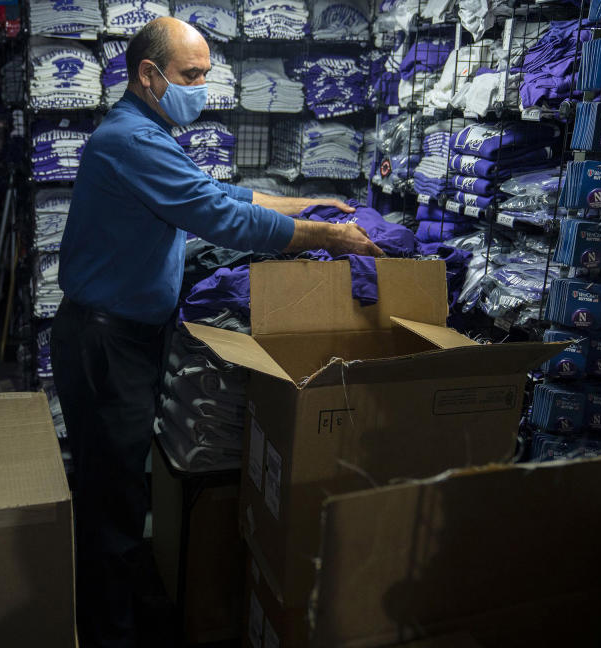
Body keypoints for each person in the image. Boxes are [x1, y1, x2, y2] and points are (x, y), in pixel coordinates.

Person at [50, 16, 383, 648]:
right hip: (105, 342)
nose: (203, 88)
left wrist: (309, 204)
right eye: (192, 76)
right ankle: (108, 632)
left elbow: (219, 192)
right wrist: (325, 237)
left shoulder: (148, 131)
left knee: (122, 482)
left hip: (126, 336)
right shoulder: (132, 141)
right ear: (150, 76)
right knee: (111, 495)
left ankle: (117, 600)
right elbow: (214, 216)